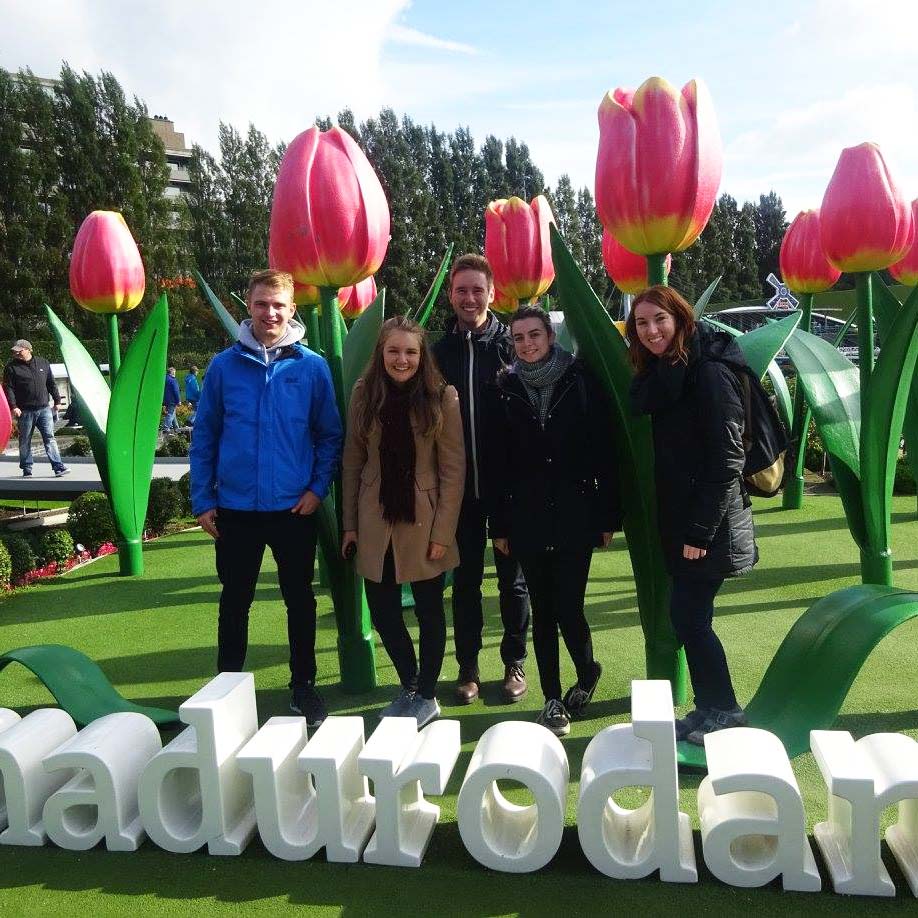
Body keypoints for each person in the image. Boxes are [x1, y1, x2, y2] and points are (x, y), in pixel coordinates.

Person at [190, 269, 342, 727]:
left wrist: (317, 490)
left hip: (294, 509)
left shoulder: (310, 367)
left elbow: (330, 436)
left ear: (292, 309)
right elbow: (205, 436)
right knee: (235, 600)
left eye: (279, 305)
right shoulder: (223, 366)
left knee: (300, 599)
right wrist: (202, 498)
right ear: (249, 307)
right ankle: (226, 688)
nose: (270, 313)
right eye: (261, 304)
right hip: (236, 509)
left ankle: (304, 686)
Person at [484, 306, 621, 737]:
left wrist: (606, 515)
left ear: (550, 335)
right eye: (518, 337)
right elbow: (495, 463)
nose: (526, 344)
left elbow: (605, 451)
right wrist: (499, 526)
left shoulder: (579, 379)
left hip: (575, 513)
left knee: (570, 609)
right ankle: (552, 700)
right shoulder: (504, 387)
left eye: (534, 335)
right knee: (542, 612)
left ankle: (587, 669)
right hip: (525, 517)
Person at [627, 285, 755, 746]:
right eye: (641, 324)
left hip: (711, 524)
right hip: (687, 521)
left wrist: (700, 531)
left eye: (659, 319)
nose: (651, 330)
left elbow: (726, 460)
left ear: (680, 318)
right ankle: (710, 707)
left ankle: (725, 708)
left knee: (690, 616)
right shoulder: (669, 373)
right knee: (689, 617)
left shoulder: (708, 372)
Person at [342, 316, 465, 728]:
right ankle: (409, 682)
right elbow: (353, 461)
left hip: (425, 520)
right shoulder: (365, 394)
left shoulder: (441, 396)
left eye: (410, 351)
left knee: (430, 610)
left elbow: (453, 470)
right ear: (381, 353)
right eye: (393, 351)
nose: (402, 359)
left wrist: (443, 534)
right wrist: (350, 525)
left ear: (421, 355)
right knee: (383, 612)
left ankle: (427, 694)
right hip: (375, 518)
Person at [432, 254, 531, 705]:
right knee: (466, 582)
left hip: (508, 489)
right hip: (457, 493)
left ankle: (515, 662)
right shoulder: (437, 354)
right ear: (450, 296)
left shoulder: (513, 345)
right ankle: (468, 667)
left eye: (477, 289)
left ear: (492, 293)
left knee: (512, 582)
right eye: (461, 290)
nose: (469, 298)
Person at [3, 339, 69, 478]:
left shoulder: (43, 363)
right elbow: (9, 389)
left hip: (44, 409)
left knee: (50, 438)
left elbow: (51, 383)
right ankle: (27, 468)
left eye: (19, 351)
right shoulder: (11, 367)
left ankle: (58, 467)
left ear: (28, 349)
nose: (16, 353)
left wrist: (57, 401)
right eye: (15, 351)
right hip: (24, 411)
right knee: (25, 440)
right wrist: (13, 407)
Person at [162, 367, 181, 431]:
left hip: (166, 400)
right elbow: (176, 391)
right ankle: (166, 426)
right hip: (172, 400)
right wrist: (178, 401)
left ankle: (176, 428)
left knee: (173, 413)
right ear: (172, 372)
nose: (175, 373)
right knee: (171, 413)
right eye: (174, 372)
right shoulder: (173, 380)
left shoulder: (164, 379)